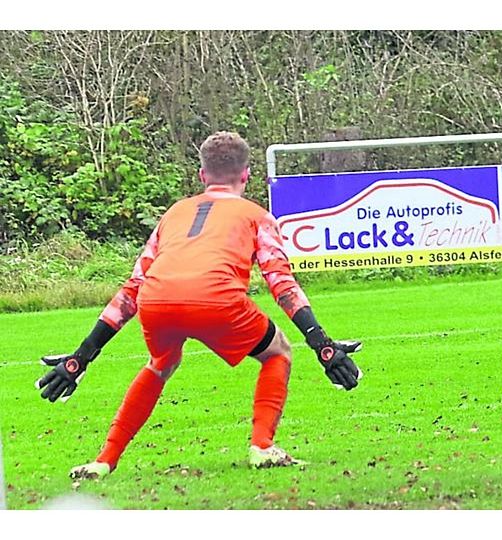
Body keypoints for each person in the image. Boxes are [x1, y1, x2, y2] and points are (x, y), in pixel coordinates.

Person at [36, 131, 363, 479]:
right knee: (278, 351)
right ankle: (263, 447)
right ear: (247, 175)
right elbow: (281, 284)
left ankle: (104, 460)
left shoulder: (174, 213)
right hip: (217, 300)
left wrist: (81, 357)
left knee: (161, 363)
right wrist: (322, 345)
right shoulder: (257, 216)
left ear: (202, 175)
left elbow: (133, 288)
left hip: (157, 300)